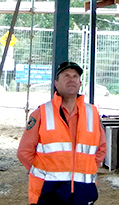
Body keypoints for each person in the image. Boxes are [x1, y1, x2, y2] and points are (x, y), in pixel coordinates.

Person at [17, 61, 106, 205]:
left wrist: (85, 169)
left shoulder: (92, 113)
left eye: (75, 76)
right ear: (56, 83)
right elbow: (24, 152)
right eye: (66, 76)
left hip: (83, 192)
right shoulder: (41, 113)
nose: (72, 79)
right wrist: (43, 174)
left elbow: (100, 150)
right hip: (48, 193)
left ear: (80, 83)